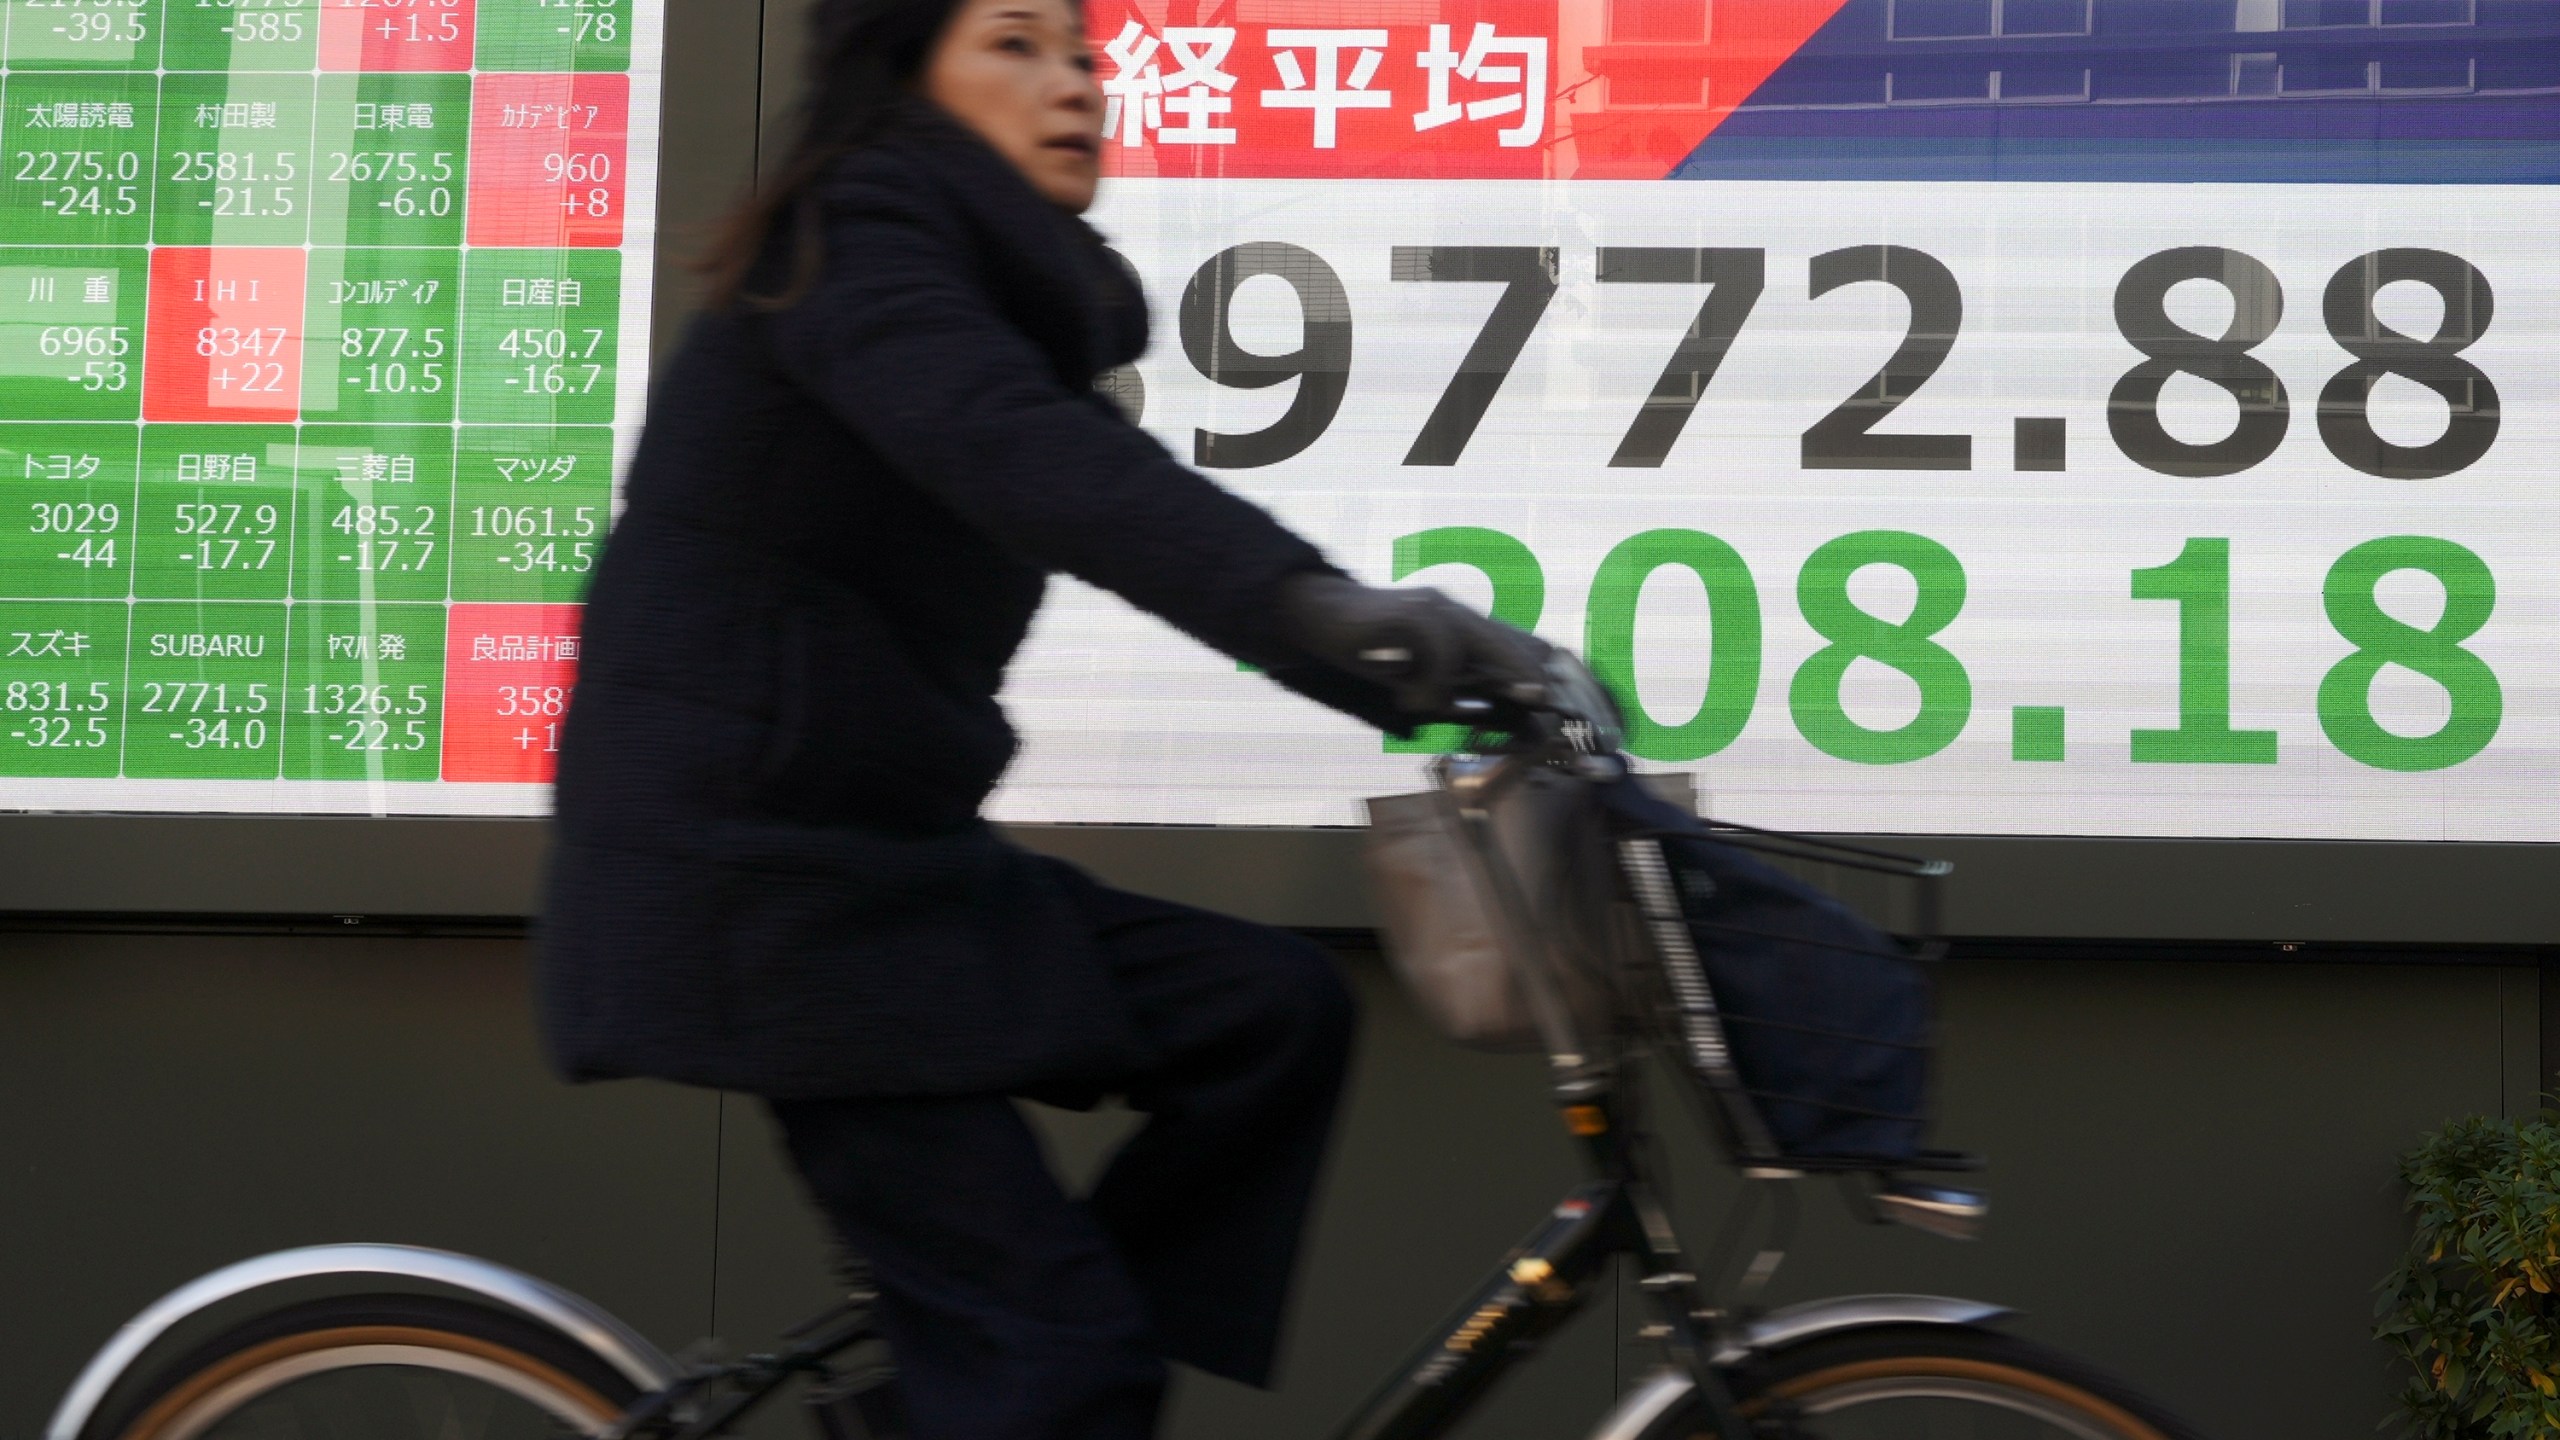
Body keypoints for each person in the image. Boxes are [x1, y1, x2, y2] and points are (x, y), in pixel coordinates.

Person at [535, 0, 1550, 1435]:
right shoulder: (852, 240)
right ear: (906, 71)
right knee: (1060, 1369)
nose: (1075, 83)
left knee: (1271, 1017)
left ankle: (984, 1401)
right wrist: (1325, 613)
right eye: (1014, 43)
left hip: (885, 872)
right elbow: (1025, 459)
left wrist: (1414, 676)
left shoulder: (986, 289)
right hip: (761, 900)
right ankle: (1023, 1389)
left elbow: (1062, 468)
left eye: (1082, 51)